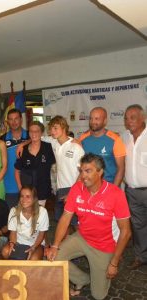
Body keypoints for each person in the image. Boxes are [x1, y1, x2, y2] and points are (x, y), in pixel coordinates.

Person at [45, 153, 131, 299]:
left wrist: (114, 263)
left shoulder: (116, 194)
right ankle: (82, 279)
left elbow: (126, 232)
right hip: (82, 237)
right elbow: (65, 218)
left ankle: (102, 274)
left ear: (100, 172)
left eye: (88, 171)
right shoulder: (77, 188)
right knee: (54, 257)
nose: (83, 176)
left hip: (104, 245)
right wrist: (55, 245)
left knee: (98, 296)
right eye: (81, 171)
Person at [122, 104, 147, 269]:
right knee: (138, 226)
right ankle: (141, 256)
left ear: (143, 118)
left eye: (132, 117)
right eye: (126, 118)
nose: (128, 121)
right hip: (131, 191)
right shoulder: (125, 138)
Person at [48, 116, 84, 228]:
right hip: (60, 189)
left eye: (55, 128)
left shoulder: (76, 146)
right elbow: (36, 136)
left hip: (73, 188)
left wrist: (73, 192)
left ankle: (81, 245)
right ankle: (65, 245)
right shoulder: (53, 142)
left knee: (76, 224)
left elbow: (83, 172)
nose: (52, 131)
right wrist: (22, 144)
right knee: (62, 223)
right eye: (51, 129)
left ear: (64, 128)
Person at [79, 107, 126, 186]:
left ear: (105, 121)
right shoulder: (83, 138)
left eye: (97, 119)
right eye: (91, 118)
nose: (93, 121)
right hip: (87, 188)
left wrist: (113, 190)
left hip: (108, 187)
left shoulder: (115, 140)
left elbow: (121, 168)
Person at [14, 121, 55, 207]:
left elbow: (54, 169)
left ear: (41, 133)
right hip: (26, 191)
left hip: (43, 190)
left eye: (36, 131)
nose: (33, 133)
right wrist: (20, 187)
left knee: (39, 217)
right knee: (27, 217)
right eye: (31, 131)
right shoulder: (23, 150)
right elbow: (17, 170)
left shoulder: (48, 147)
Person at [2, 186, 48, 260]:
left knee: (34, 259)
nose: (24, 199)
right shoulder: (14, 211)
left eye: (28, 196)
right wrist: (12, 243)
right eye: (22, 196)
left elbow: (41, 234)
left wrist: (33, 248)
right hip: (18, 242)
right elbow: (13, 232)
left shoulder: (42, 212)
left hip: (36, 243)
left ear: (34, 198)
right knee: (5, 252)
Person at [0, 108, 29, 209]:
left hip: (28, 187)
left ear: (21, 120)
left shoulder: (31, 136)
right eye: (11, 119)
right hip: (9, 187)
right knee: (11, 219)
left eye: (16, 118)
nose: (14, 122)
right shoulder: (1, 140)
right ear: (7, 122)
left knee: (30, 220)